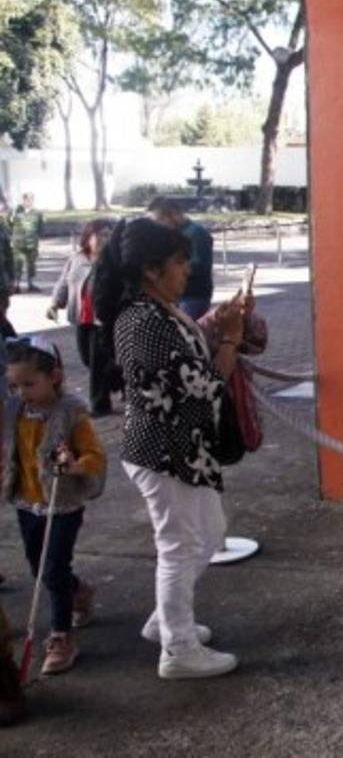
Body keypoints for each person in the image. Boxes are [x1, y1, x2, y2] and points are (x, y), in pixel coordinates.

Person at [93, 217, 245, 679]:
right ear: (151, 270)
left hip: (182, 449)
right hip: (165, 450)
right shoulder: (143, 320)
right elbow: (201, 385)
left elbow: (189, 359)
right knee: (181, 546)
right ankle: (178, 649)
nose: (188, 270)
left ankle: (168, 620)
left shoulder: (158, 311)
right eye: (179, 263)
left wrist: (216, 326)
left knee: (206, 535)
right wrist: (232, 338)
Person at [1, 335, 107, 676]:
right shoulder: (14, 411)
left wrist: (76, 464)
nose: (21, 392)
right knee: (39, 567)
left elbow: (95, 456)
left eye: (29, 384)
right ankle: (80, 592)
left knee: (53, 568)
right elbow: (9, 451)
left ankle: (61, 636)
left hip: (61, 503)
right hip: (27, 502)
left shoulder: (70, 413)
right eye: (13, 385)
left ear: (54, 376)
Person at [47, 219, 119, 416]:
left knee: (97, 362)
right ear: (88, 237)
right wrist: (55, 304)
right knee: (86, 358)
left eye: (108, 234)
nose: (105, 238)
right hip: (81, 317)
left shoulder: (114, 260)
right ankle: (118, 378)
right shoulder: (77, 258)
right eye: (101, 234)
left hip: (102, 320)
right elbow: (63, 283)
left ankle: (100, 405)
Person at [147, 197, 214, 319]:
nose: (157, 225)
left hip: (192, 297)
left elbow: (200, 266)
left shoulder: (197, 233)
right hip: (174, 295)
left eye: (159, 220)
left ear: (173, 215)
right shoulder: (170, 233)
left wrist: (167, 269)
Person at [10, 192, 43, 293]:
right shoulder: (16, 212)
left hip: (32, 244)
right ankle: (16, 285)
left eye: (31, 199)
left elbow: (40, 228)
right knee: (17, 264)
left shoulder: (37, 213)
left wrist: (38, 239)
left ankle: (30, 284)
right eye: (27, 199)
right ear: (23, 200)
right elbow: (9, 224)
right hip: (18, 244)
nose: (29, 201)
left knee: (31, 265)